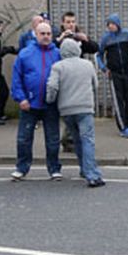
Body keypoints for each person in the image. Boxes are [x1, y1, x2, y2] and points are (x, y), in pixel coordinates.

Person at [46, 38, 105, 187]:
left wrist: (50, 100)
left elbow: (52, 87)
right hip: (85, 107)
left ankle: (85, 169)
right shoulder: (87, 65)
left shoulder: (57, 67)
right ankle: (91, 174)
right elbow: (95, 85)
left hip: (66, 110)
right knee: (88, 140)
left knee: (77, 140)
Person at [10, 22, 62, 181]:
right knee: (24, 138)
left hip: (51, 105)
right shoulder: (25, 54)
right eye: (42, 34)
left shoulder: (58, 54)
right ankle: (21, 168)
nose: (46, 37)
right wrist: (21, 98)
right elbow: (16, 78)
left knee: (53, 138)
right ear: (36, 34)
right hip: (29, 104)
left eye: (48, 34)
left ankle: (54, 169)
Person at [96, 14, 128, 138]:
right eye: (108, 24)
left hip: (127, 73)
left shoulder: (127, 35)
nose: (110, 26)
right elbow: (99, 55)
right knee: (118, 102)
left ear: (118, 24)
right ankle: (123, 128)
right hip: (114, 74)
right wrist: (104, 68)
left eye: (112, 23)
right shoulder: (106, 39)